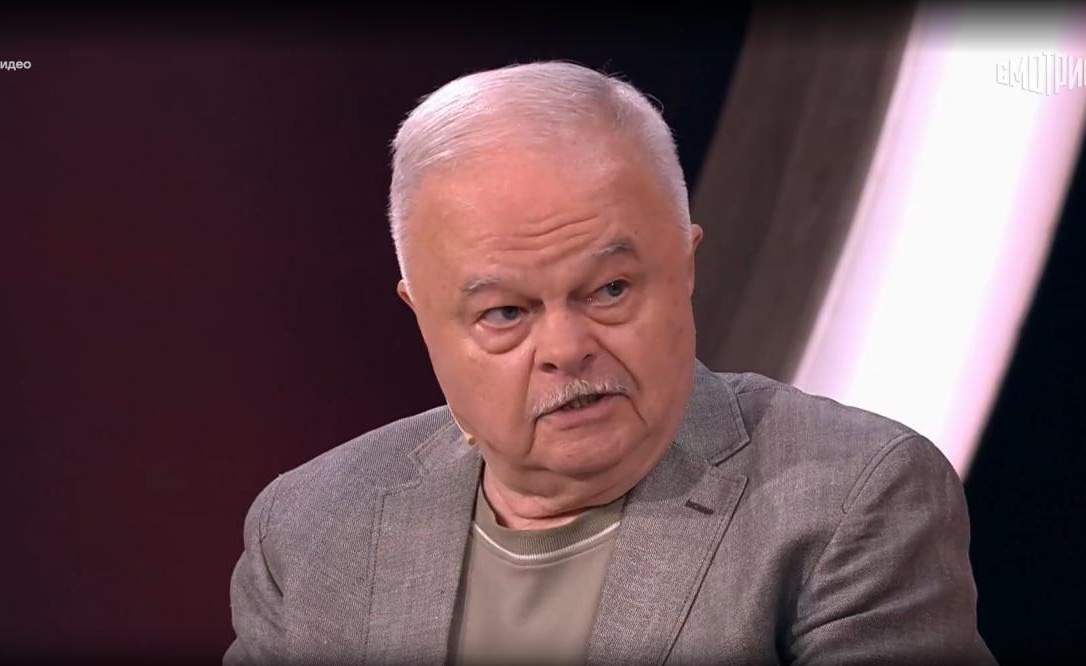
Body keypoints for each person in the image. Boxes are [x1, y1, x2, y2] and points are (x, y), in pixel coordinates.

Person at [224, 60, 996, 665]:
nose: (567, 349)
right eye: (506, 313)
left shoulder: (850, 498)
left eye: (610, 290)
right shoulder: (312, 527)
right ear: (423, 319)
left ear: (685, 267)